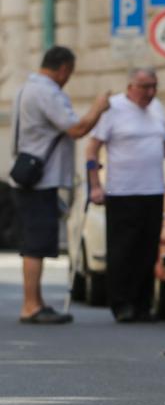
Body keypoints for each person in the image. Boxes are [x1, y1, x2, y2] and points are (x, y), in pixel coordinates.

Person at [86, 68, 165, 322]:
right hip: (122, 191)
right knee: (123, 250)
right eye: (145, 87)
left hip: (152, 189)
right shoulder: (113, 108)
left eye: (154, 87)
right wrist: (95, 185)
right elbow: (92, 149)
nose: (150, 92)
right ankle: (122, 304)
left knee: (147, 250)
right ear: (131, 86)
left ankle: (142, 304)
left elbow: (164, 148)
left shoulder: (157, 108)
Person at [8, 46, 110, 325]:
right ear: (64, 68)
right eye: (70, 72)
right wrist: (98, 108)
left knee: (37, 243)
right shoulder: (47, 92)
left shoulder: (27, 88)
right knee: (36, 245)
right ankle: (30, 305)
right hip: (41, 180)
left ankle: (36, 302)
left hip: (32, 176)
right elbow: (76, 129)